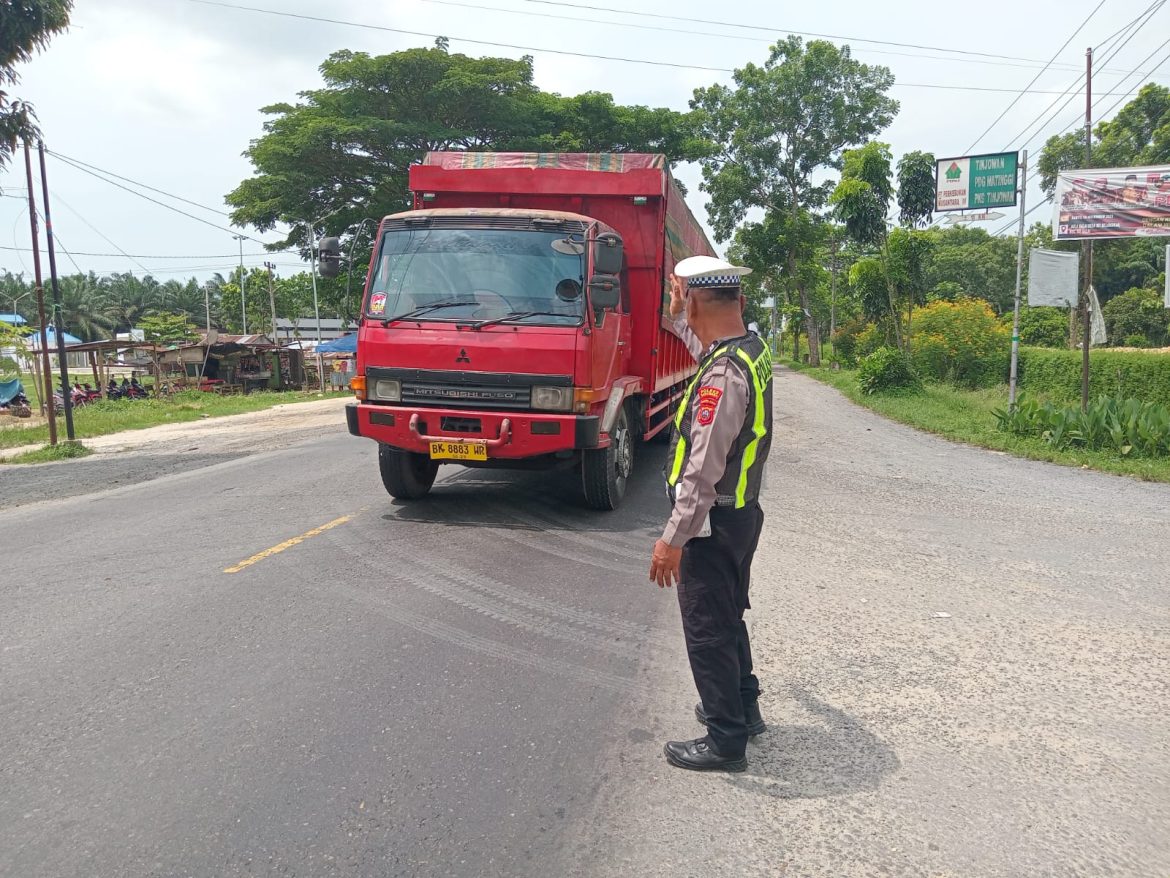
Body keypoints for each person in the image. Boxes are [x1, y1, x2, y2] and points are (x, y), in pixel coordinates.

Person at [649, 255, 774, 773]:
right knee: (728, 616)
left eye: (686, 303)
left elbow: (700, 472)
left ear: (698, 300)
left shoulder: (721, 378)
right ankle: (744, 709)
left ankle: (725, 740)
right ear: (739, 302)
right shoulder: (749, 349)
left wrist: (672, 539)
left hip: (711, 521)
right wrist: (683, 312)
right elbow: (705, 341)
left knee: (706, 629)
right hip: (741, 514)